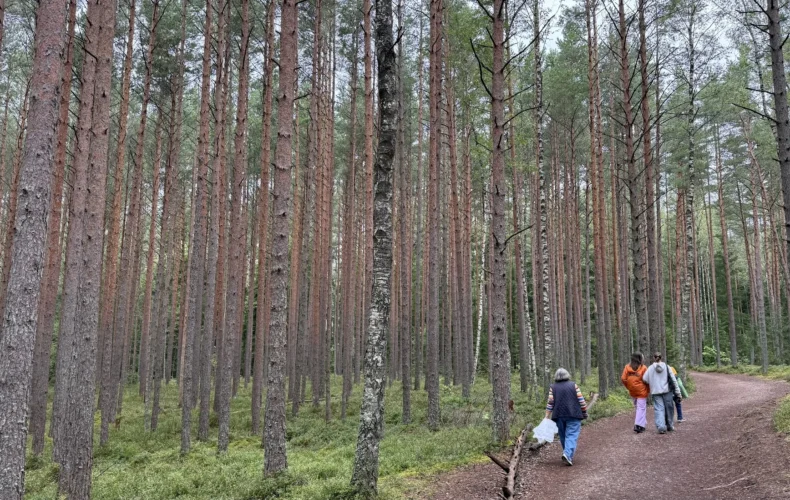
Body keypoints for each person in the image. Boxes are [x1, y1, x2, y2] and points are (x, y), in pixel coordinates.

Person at [544, 368, 588, 466]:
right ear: (567, 375)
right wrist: (584, 413)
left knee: (563, 436)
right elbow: (581, 401)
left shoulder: (553, 387)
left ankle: (567, 454)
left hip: (558, 415)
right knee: (571, 435)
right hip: (574, 414)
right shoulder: (573, 385)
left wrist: (547, 416)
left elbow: (550, 403)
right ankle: (567, 454)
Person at [642, 352, 682, 434]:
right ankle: (670, 426)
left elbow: (644, 379)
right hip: (667, 391)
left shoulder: (650, 368)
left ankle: (661, 427)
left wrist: (652, 382)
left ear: (654, 358)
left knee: (659, 409)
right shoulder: (667, 367)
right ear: (661, 358)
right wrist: (678, 392)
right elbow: (674, 380)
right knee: (669, 408)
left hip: (656, 392)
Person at [621, 353, 649, 433]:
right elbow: (647, 380)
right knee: (641, 408)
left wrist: (628, 386)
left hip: (632, 391)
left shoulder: (627, 367)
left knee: (638, 407)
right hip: (641, 391)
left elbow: (623, 378)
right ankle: (638, 425)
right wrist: (648, 389)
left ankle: (642, 423)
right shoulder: (643, 368)